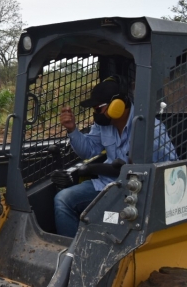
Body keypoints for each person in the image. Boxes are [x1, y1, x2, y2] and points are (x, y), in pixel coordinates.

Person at [54, 76, 176, 237]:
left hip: (138, 191)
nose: (95, 114)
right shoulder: (104, 125)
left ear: (117, 105)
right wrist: (72, 130)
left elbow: (171, 169)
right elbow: (88, 150)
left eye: (98, 109)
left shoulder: (151, 130)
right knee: (63, 200)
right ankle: (72, 255)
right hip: (107, 185)